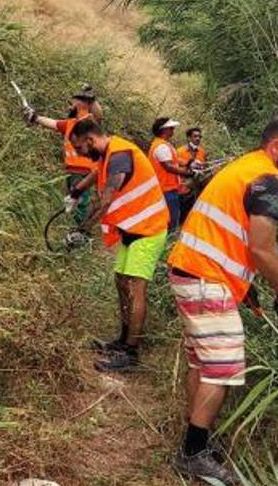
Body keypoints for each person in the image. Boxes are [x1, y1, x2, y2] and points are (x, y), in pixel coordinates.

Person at [166, 116, 278, 484]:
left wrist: (243, 283)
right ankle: (193, 452)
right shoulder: (267, 180)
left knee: (202, 362)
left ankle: (194, 435)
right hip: (206, 278)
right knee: (223, 368)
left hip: (193, 269)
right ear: (276, 147)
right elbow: (262, 247)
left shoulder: (245, 166)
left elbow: (226, 229)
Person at [65, 118, 169, 371]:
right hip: (132, 229)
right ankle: (122, 341)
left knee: (135, 288)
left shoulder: (121, 155)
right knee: (121, 281)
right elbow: (95, 173)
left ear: (90, 140)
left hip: (149, 229)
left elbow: (107, 199)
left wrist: (81, 229)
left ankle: (131, 355)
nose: (80, 154)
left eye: (80, 148)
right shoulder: (108, 154)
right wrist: (76, 191)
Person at [24, 84, 103, 227]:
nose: (69, 106)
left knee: (80, 204)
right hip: (72, 172)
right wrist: (35, 117)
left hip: (85, 171)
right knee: (75, 202)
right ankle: (77, 231)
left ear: (82, 104)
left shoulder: (87, 120)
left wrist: (91, 98)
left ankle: (81, 233)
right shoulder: (69, 124)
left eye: (72, 103)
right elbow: (53, 123)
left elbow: (98, 114)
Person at [147, 117, 191, 233]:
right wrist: (187, 173)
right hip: (165, 190)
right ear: (164, 130)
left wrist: (188, 163)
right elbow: (169, 167)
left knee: (172, 219)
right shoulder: (161, 147)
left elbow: (175, 160)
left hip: (168, 189)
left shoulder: (164, 145)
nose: (173, 130)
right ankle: (168, 245)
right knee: (171, 221)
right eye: (171, 128)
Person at [175, 126, 207, 223]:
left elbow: (204, 167)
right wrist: (189, 167)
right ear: (189, 138)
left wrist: (202, 168)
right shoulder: (179, 151)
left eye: (199, 137)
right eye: (195, 136)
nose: (198, 138)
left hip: (197, 186)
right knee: (183, 212)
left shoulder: (202, 151)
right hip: (184, 186)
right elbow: (175, 169)